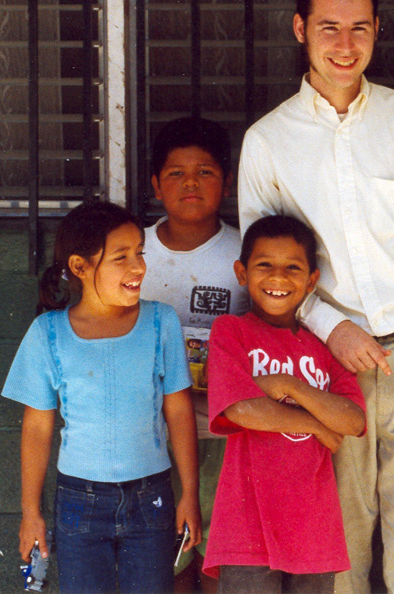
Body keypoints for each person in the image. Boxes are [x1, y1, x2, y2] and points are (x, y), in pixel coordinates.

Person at [236, 0, 394, 594]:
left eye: (360, 28)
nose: (345, 44)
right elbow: (266, 273)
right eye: (329, 27)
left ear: (378, 30)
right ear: (300, 28)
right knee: (341, 540)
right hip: (325, 366)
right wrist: (329, 326)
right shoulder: (269, 140)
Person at [2, 200, 202, 593]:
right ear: (79, 266)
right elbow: (38, 428)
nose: (139, 267)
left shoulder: (161, 321)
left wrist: (189, 493)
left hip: (152, 497)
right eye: (121, 257)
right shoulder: (49, 333)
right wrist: (31, 513)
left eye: (140, 253)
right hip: (79, 500)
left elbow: (178, 412)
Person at [202, 215, 367, 594]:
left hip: (313, 526)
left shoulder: (323, 345)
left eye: (292, 267)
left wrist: (287, 384)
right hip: (247, 526)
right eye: (264, 266)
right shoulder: (232, 331)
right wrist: (316, 424)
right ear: (241, 273)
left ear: (312, 280)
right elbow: (241, 410)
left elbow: (353, 420)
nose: (278, 278)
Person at [140, 116, 249, 589]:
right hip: (150, 433)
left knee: (217, 556)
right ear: (155, 185)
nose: (190, 183)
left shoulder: (246, 252)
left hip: (224, 431)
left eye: (204, 171)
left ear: (226, 183)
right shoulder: (132, 250)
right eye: (175, 173)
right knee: (168, 557)